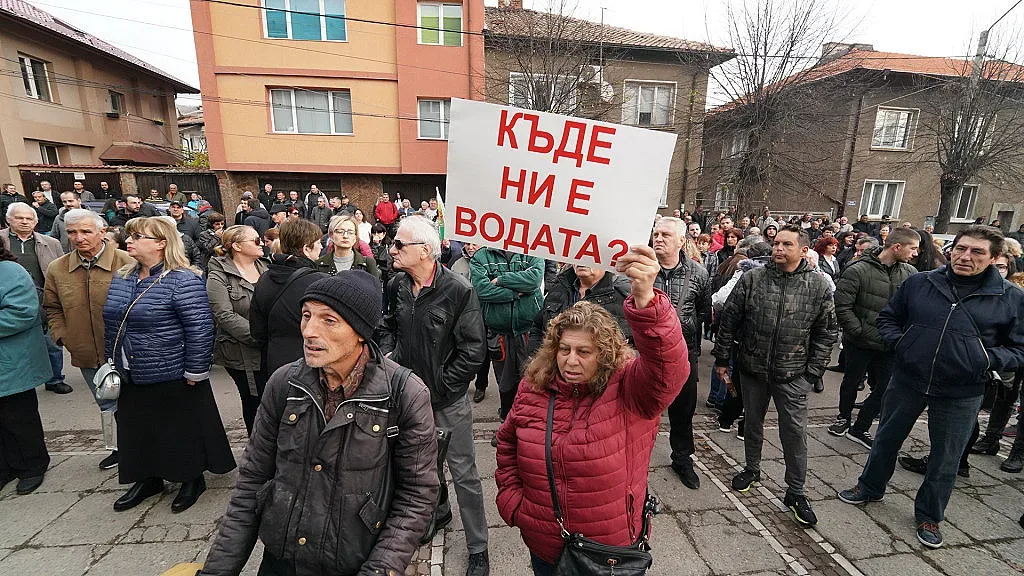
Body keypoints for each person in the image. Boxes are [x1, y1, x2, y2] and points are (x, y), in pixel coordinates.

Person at [200, 273, 439, 576]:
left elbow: (417, 495)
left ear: (361, 332)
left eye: (329, 320)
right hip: (283, 559)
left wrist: (380, 569)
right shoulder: (284, 383)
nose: (309, 331)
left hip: (357, 562)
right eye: (306, 315)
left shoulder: (404, 393)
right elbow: (252, 480)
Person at [495, 245, 687, 576]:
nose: (571, 360)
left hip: (608, 554)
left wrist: (647, 301)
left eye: (584, 351)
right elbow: (508, 445)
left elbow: (668, 371)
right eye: (564, 349)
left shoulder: (629, 389)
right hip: (544, 546)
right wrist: (515, 506)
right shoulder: (534, 385)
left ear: (605, 352)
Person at [838, 226, 1024, 549]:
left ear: (995, 258)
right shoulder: (921, 282)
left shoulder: (1010, 299)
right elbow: (888, 319)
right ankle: (869, 486)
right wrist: (904, 345)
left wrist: (982, 358)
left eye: (977, 252)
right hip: (908, 379)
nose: (965, 257)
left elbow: (1018, 349)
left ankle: (929, 515)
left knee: (945, 459)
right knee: (885, 439)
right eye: (961, 249)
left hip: (961, 391)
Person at [376, 216, 490, 576]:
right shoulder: (396, 284)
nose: (391, 250)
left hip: (447, 401)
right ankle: (438, 514)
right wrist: (390, 360)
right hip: (407, 398)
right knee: (421, 469)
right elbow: (387, 327)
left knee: (464, 473)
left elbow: (473, 349)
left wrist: (441, 386)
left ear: (425, 250)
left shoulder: (458, 289)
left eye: (399, 245)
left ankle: (478, 546)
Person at [102, 216, 235, 513]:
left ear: (162, 244)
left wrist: (196, 369)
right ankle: (147, 478)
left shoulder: (183, 279)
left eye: (138, 237)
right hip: (130, 367)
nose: (129, 241)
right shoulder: (123, 276)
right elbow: (112, 322)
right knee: (137, 427)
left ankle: (191, 479)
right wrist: (111, 360)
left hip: (171, 368)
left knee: (177, 428)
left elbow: (200, 327)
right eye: (129, 236)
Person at [713, 226, 837, 526]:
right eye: (776, 243)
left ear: (803, 249)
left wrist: (812, 373)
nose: (778, 248)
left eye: (786, 244)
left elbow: (827, 333)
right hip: (753, 368)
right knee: (752, 423)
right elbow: (729, 319)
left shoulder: (818, 286)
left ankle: (795, 491)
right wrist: (721, 358)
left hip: (793, 374)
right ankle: (752, 468)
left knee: (794, 433)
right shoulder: (753, 278)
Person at [43, 208, 133, 470]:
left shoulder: (126, 262)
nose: (78, 237)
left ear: (102, 232)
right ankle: (118, 448)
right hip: (85, 351)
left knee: (134, 402)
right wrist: (62, 335)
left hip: (125, 350)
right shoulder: (58, 268)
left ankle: (142, 448)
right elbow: (52, 307)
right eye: (72, 232)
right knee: (105, 402)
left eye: (85, 231)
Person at [827, 228, 919, 447]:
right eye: (912, 248)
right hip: (860, 341)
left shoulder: (910, 273)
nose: (915, 253)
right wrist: (857, 331)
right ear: (897, 247)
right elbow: (842, 305)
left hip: (890, 343)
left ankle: (861, 426)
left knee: (886, 387)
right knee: (851, 381)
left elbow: (912, 307)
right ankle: (843, 417)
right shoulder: (857, 270)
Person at [651, 217, 710, 489]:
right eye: (656, 233)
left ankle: (683, 458)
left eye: (665, 234)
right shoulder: (642, 269)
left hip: (685, 353)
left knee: (683, 410)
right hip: (645, 353)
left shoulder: (698, 274)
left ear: (681, 241)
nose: (658, 238)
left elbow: (702, 312)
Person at [470, 246, 544, 446]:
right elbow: (482, 290)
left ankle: (528, 427)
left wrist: (501, 280)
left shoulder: (532, 251)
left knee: (531, 380)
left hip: (528, 331)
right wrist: (515, 293)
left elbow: (534, 281)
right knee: (505, 383)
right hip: (498, 333)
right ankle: (506, 425)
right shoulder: (481, 256)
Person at [0, 244, 53, 495]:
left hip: (12, 362)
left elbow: (22, 313)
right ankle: (5, 467)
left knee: (18, 417)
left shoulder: (10, 271)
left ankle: (32, 466)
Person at [206, 225, 269, 435]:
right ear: (237, 246)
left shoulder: (266, 268)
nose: (261, 243)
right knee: (253, 402)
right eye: (255, 240)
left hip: (270, 347)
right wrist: (258, 336)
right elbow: (224, 315)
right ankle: (257, 453)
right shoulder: (218, 274)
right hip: (241, 352)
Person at [2, 203, 70, 394]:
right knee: (18, 342)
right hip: (11, 298)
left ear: (36, 221)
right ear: (8, 220)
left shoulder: (51, 243)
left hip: (43, 297)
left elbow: (61, 271)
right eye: (19, 218)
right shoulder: (2, 241)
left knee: (52, 342)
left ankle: (55, 379)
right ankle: (23, 379)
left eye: (29, 218)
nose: (24, 221)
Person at [250, 219, 328, 376]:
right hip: (311, 364)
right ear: (306, 248)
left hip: (275, 363)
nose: (321, 246)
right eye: (318, 242)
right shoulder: (320, 282)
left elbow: (257, 331)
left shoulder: (264, 278)